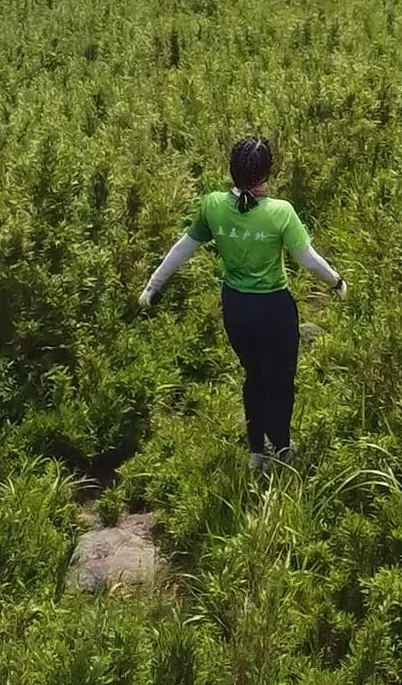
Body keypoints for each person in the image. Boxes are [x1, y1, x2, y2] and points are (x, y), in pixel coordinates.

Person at [139, 133, 344, 471]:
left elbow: (182, 249)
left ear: (231, 169)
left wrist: (153, 286)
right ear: (269, 171)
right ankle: (281, 448)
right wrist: (336, 282)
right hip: (274, 309)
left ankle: (256, 453)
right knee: (280, 381)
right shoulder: (281, 212)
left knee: (254, 376)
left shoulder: (213, 206)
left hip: (236, 308)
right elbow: (307, 259)